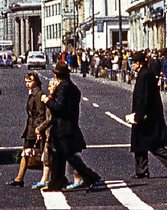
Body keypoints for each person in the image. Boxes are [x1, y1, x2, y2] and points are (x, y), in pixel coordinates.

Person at [42, 62, 101, 191]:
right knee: (59, 156)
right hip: (68, 125)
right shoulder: (72, 87)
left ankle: (91, 177)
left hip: (62, 127)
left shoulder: (63, 87)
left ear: (57, 75)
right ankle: (56, 184)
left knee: (69, 156)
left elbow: (59, 107)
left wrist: (48, 101)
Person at [129, 52, 167, 179]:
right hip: (146, 113)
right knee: (141, 143)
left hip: (146, 115)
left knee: (148, 141)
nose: (132, 65)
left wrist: (139, 115)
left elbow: (144, 97)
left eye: (133, 63)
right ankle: (142, 170)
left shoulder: (145, 75)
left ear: (138, 63)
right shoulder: (145, 73)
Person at [9, 72, 48, 187]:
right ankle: (19, 178)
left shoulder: (38, 94)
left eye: (30, 81)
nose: (27, 84)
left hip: (35, 129)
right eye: (26, 82)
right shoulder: (32, 94)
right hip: (31, 129)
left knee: (44, 154)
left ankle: (58, 177)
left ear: (36, 81)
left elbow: (41, 114)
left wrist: (39, 129)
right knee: (26, 152)